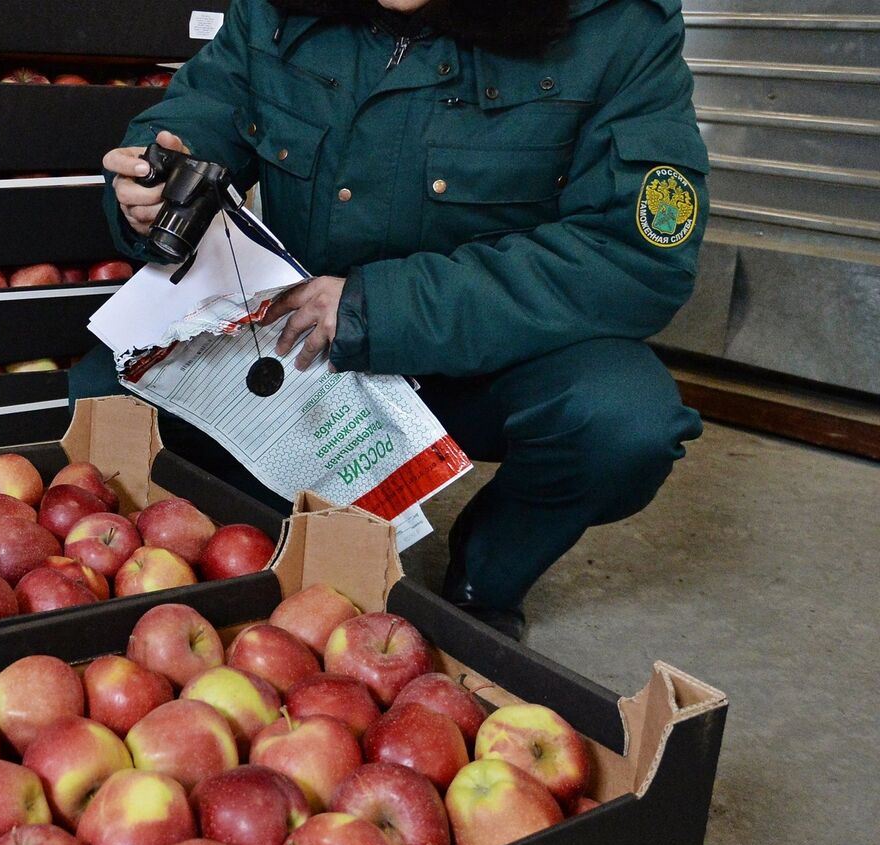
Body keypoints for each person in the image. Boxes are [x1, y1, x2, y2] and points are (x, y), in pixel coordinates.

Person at [83, 0, 709, 640]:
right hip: (311, 350)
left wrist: (378, 306)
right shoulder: (277, 8)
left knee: (621, 423)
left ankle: (485, 576)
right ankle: (279, 534)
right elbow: (205, 109)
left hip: (492, 356)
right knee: (105, 394)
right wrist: (156, 186)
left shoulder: (615, 26)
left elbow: (633, 256)